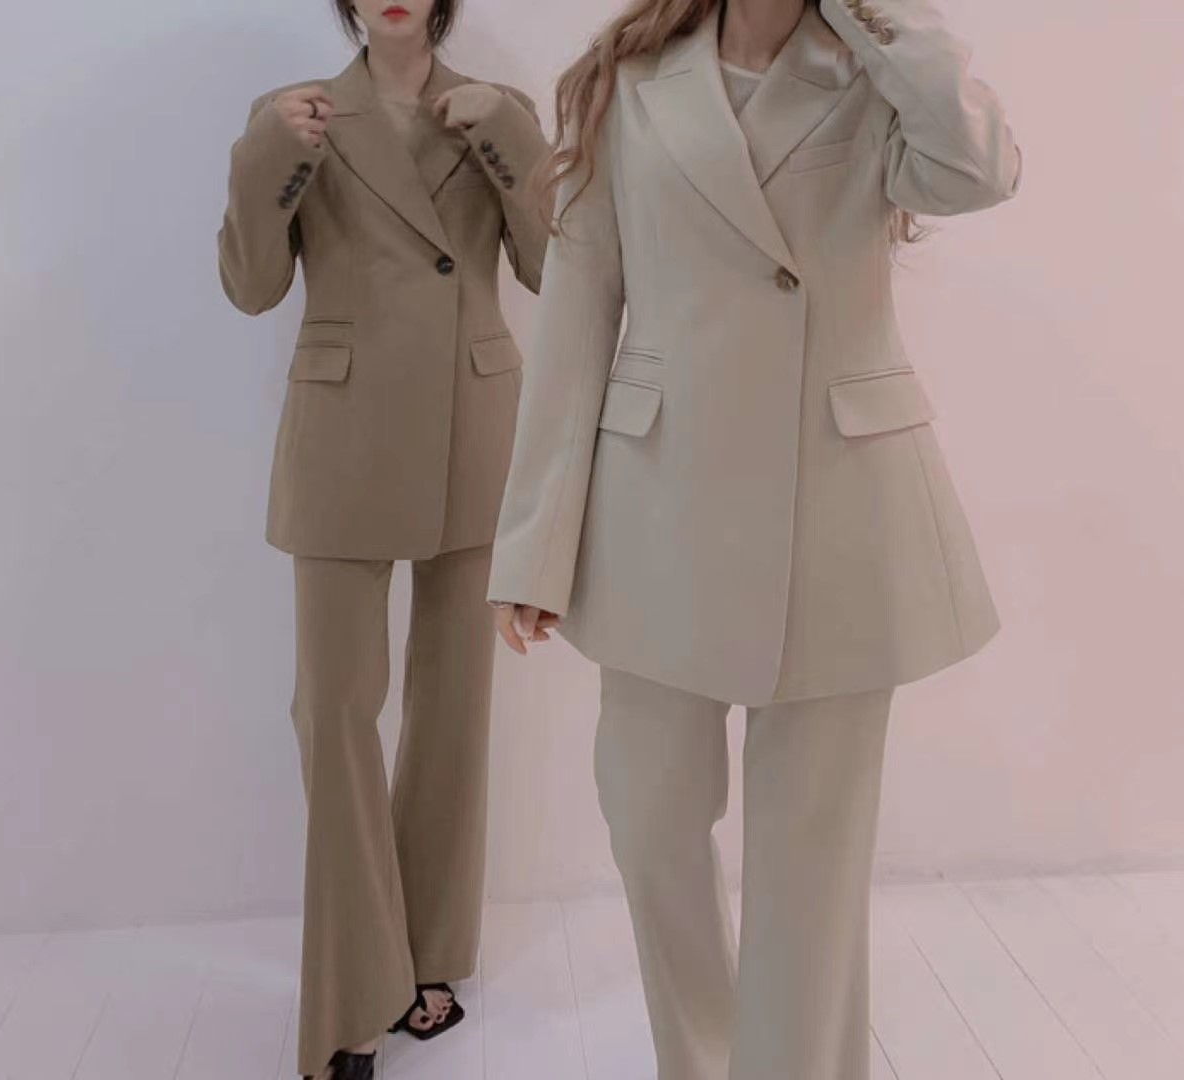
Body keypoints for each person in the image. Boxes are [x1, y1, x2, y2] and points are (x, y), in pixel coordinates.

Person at [486, 0, 1021, 1078]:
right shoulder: (628, 82)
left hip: (837, 502)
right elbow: (580, 312)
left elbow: (978, 172)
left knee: (810, 864)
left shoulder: (873, 70)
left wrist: (877, 16)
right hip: (659, 502)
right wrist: (535, 543)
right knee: (648, 817)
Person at [216, 0, 550, 1076]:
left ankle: (430, 955)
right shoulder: (292, 116)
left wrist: (509, 136)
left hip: (471, 429)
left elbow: (554, 267)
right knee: (334, 710)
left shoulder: (498, 110)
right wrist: (268, 158)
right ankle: (358, 981)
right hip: (344, 438)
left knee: (453, 707)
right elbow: (251, 287)